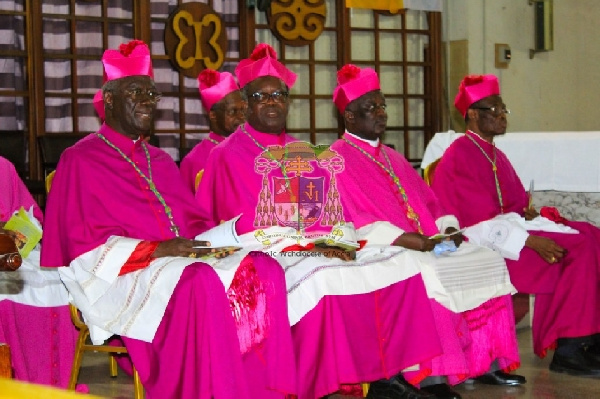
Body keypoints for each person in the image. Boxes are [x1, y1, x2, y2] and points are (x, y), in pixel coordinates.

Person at [40, 40, 296, 399]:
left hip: (180, 259)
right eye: (135, 93)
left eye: (151, 93)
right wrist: (158, 249)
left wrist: (229, 235)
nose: (147, 101)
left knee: (263, 267)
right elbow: (82, 249)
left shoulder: (159, 160)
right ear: (109, 99)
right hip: (120, 272)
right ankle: (211, 389)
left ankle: (262, 388)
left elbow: (193, 225)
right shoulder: (79, 159)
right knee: (200, 279)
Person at [328, 65, 526, 397]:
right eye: (371, 108)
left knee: (484, 257)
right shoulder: (338, 158)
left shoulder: (392, 157)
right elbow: (349, 220)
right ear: (349, 117)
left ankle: (485, 361)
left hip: (423, 241)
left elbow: (431, 204)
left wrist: (447, 229)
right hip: (380, 247)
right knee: (424, 271)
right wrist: (406, 239)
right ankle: (432, 377)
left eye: (382, 106)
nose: (381, 114)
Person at [431, 74, 600, 377]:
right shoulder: (458, 157)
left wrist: (535, 217)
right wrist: (534, 240)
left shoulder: (495, 154)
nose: (501, 117)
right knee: (580, 248)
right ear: (472, 114)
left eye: (503, 111)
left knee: (593, 234)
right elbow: (474, 224)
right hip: (492, 247)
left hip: (513, 235)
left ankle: (592, 339)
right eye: (494, 111)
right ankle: (570, 348)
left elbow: (516, 205)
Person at [0, 156, 77, 388]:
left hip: (6, 249)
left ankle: (49, 383)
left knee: (54, 279)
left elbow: (27, 212)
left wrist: (19, 231)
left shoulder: (3, 166)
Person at [179, 69, 245, 193]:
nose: (241, 116)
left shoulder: (252, 148)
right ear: (213, 115)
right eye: (233, 111)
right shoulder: (194, 161)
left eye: (242, 110)